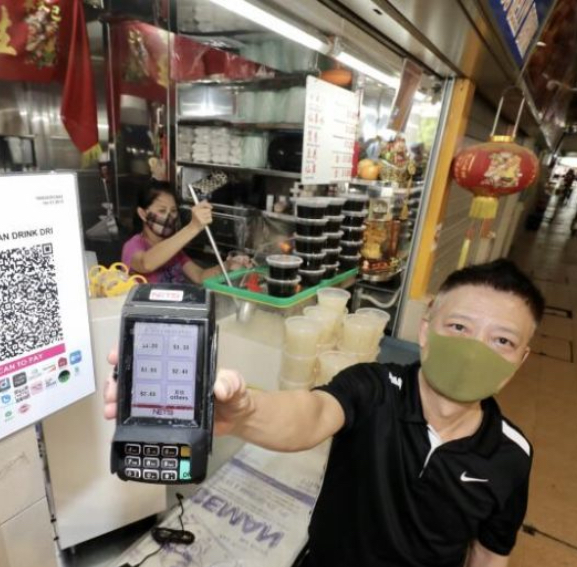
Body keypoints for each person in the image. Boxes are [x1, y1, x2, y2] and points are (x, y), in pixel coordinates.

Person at [104, 259, 544, 567]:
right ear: (426, 330)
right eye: (460, 327)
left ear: (521, 359)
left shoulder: (512, 455)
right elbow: (311, 414)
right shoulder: (374, 387)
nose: (474, 351)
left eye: (502, 341)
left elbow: (489, 553)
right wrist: (242, 413)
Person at [122, 183, 249, 284]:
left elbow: (200, 276)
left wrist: (228, 265)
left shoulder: (173, 249)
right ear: (143, 214)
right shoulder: (133, 246)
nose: (169, 217)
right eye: (162, 211)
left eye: (173, 211)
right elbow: (146, 264)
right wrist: (193, 227)